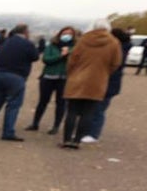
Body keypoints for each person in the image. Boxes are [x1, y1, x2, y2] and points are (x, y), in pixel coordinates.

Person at [61, 20, 121, 149]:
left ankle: (67, 139)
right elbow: (116, 63)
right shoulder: (114, 43)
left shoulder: (83, 40)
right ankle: (77, 140)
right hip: (97, 81)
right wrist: (104, 72)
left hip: (77, 78)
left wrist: (71, 73)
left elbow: (72, 60)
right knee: (88, 113)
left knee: (72, 111)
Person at [0, 23, 39, 141]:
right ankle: (8, 132)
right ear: (26, 32)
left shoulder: (6, 41)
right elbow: (35, 57)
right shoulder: (27, 44)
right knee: (13, 105)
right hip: (17, 77)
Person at [83, 27, 130, 143]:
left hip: (108, 83)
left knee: (98, 109)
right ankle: (88, 131)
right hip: (105, 82)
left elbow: (113, 66)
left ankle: (93, 134)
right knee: (94, 108)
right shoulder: (119, 48)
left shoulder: (118, 49)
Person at [26, 26, 75, 134]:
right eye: (64, 33)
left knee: (61, 103)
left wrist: (68, 55)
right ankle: (35, 123)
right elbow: (46, 59)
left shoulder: (75, 47)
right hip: (48, 77)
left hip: (64, 78)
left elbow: (75, 62)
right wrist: (61, 56)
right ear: (60, 34)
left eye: (70, 34)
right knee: (43, 101)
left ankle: (56, 126)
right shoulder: (52, 45)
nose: (67, 36)